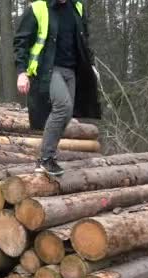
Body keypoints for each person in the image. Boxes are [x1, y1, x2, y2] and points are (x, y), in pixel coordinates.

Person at [13, 0, 102, 176]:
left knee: (67, 114)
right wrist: (21, 72)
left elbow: (84, 40)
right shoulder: (38, 9)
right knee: (63, 106)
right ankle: (45, 159)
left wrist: (90, 65)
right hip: (48, 69)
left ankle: (49, 157)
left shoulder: (77, 7)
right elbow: (20, 42)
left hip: (72, 69)